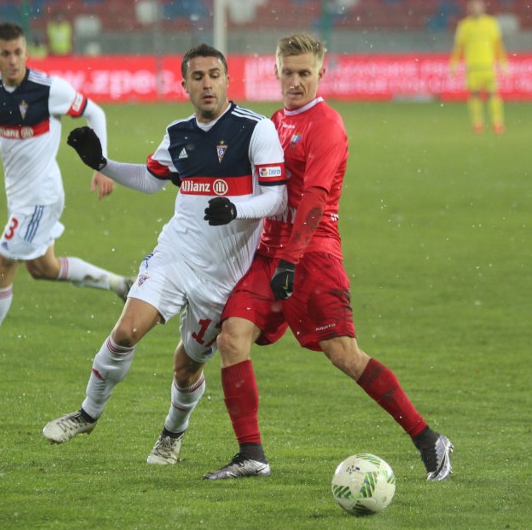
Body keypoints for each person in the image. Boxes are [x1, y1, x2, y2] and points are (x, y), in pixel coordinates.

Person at [149, 33, 454, 482]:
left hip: (311, 255)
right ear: (275, 72)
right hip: (268, 251)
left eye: (304, 73)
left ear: (320, 73)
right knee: (233, 337)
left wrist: (290, 261)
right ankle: (251, 453)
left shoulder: (326, 125)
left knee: (344, 353)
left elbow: (313, 199)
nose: (295, 81)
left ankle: (428, 439)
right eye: (288, 72)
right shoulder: (275, 121)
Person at [41, 44, 287, 447]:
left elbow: (277, 197)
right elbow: (151, 180)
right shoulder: (178, 134)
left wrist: (237, 208)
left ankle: (172, 433)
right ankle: (87, 413)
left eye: (214, 75)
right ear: (185, 86)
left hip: (223, 276)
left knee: (185, 368)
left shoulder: (255, 128)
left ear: (227, 80)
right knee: (125, 333)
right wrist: (102, 164)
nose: (207, 84)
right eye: (198, 77)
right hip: (175, 256)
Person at [0, 22, 131, 367]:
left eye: (19, 52)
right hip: (19, 197)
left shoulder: (48, 89)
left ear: (26, 53)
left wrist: (101, 165)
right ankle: (118, 283)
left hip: (40, 198)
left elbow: (96, 112)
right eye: (6, 53)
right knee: (43, 267)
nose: (13, 60)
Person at [449, 0, 509, 134]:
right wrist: (453, 64)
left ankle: (497, 123)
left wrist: (503, 63)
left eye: (478, 6)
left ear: (483, 7)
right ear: (469, 8)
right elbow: (458, 48)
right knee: (474, 96)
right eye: (473, 6)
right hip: (473, 68)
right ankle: (478, 124)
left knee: (494, 95)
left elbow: (498, 46)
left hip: (488, 67)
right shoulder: (464, 26)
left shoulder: (491, 23)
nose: (476, 8)